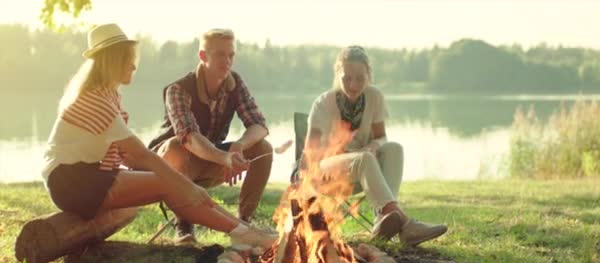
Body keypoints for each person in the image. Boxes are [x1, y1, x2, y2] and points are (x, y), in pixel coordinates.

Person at [39, 24, 275, 251]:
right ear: (112, 61)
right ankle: (245, 234)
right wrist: (185, 185)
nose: (133, 66)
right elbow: (140, 154)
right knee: (169, 183)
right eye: (128, 59)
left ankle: (246, 231)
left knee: (170, 184)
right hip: (72, 182)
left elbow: (125, 157)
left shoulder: (108, 95)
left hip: (89, 175)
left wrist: (186, 185)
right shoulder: (96, 100)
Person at [301, 46, 447, 247]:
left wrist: (372, 145)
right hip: (327, 171)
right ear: (338, 74)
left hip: (363, 169)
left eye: (360, 78)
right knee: (365, 158)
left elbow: (382, 138)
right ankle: (404, 223)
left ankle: (383, 217)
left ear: (369, 75)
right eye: (347, 78)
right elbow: (311, 153)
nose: (353, 85)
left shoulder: (374, 97)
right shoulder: (323, 103)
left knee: (394, 148)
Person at [148, 28, 272, 244]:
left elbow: (259, 125)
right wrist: (223, 158)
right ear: (203, 56)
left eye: (231, 55)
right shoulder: (178, 90)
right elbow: (189, 138)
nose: (227, 61)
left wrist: (239, 147)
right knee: (177, 145)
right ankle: (184, 227)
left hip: (209, 160)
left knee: (263, 148)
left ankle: (244, 224)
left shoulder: (235, 83)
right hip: (168, 167)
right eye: (220, 55)